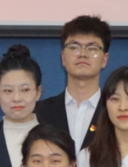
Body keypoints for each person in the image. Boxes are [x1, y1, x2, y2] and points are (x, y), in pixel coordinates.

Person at [35, 15, 111, 151]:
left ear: (104, 59)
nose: (82, 54)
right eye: (74, 47)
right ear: (63, 57)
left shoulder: (114, 110)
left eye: (92, 48)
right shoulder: (39, 112)